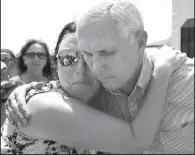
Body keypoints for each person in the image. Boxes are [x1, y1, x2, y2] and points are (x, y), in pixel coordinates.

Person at [3, 22, 187, 154]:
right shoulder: (42, 106)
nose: (80, 70)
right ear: (55, 65)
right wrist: (162, 71)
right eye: (68, 58)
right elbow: (138, 141)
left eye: (90, 58)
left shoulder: (100, 98)